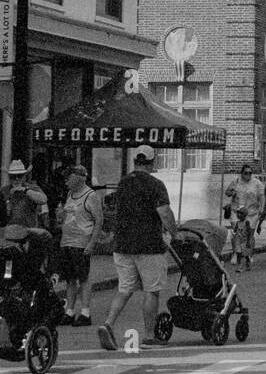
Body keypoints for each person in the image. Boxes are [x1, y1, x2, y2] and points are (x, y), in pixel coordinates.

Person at [97, 146, 176, 351]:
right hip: (148, 245)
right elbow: (164, 212)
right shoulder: (155, 184)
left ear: (134, 161)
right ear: (152, 162)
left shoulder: (123, 183)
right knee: (152, 290)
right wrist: (174, 233)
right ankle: (149, 336)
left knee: (124, 289)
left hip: (123, 245)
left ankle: (108, 323)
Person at [56, 164, 103, 326]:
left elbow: (99, 220)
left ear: (78, 178)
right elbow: (66, 216)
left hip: (81, 243)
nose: (65, 181)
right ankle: (69, 310)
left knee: (83, 278)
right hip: (67, 241)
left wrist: (92, 243)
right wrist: (61, 216)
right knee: (70, 278)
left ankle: (85, 312)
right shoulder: (70, 194)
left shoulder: (90, 196)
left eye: (68, 178)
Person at [225, 163, 265, 271]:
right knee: (236, 233)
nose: (248, 175)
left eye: (250, 173)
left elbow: (261, 195)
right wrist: (231, 192)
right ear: (241, 173)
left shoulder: (256, 182)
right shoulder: (236, 181)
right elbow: (227, 192)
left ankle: (249, 254)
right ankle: (236, 252)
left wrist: (262, 207)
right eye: (246, 173)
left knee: (249, 233)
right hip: (237, 211)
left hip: (252, 212)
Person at [0, 159, 50, 231]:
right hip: (10, 231)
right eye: (13, 176)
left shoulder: (32, 187)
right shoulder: (4, 190)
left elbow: (43, 199)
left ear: (24, 176)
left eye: (19, 176)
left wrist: (25, 190)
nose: (16, 179)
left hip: (29, 230)